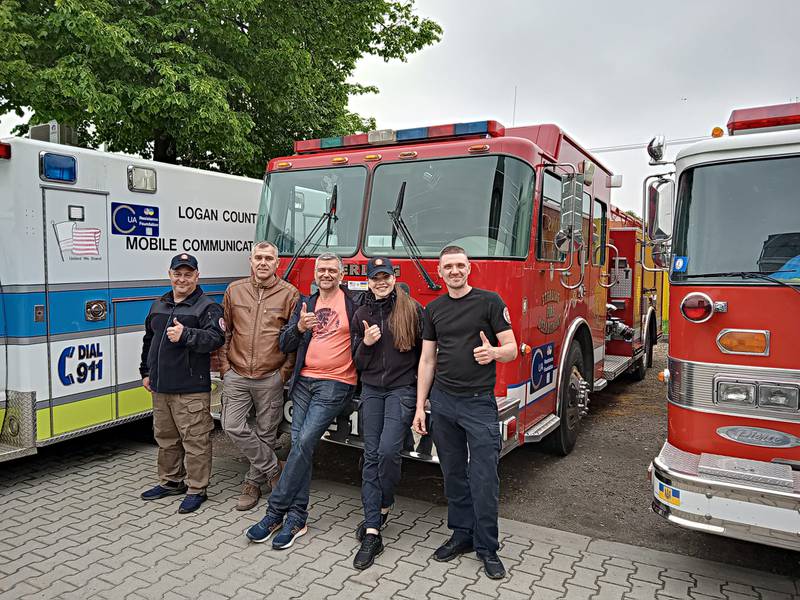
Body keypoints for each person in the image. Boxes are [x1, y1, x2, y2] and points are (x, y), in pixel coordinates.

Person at [413, 245, 517, 579]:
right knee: (454, 474)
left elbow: (512, 349)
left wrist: (494, 353)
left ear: (469, 268)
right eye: (448, 267)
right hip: (443, 403)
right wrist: (420, 406)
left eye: (460, 265)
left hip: (478, 404)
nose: (454, 271)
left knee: (484, 478)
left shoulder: (490, 302)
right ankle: (461, 535)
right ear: (440, 272)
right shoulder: (434, 309)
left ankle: (488, 547)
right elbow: (427, 359)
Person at [245, 252, 361, 549]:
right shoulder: (305, 304)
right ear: (316, 274)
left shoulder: (354, 304)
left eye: (332, 270)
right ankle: (297, 518)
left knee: (305, 441)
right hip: (304, 383)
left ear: (342, 275)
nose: (326, 274)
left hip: (335, 384)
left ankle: (274, 513)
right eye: (322, 270)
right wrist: (299, 328)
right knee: (301, 446)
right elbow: (284, 343)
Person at [349, 257, 424, 570]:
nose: (381, 282)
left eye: (386, 276)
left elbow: (426, 355)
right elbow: (358, 362)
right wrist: (365, 344)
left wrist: (423, 399)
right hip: (371, 390)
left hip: (401, 390)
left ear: (394, 277)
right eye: (375, 278)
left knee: (389, 451)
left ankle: (384, 502)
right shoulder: (362, 312)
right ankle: (372, 529)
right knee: (371, 454)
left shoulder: (412, 309)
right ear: (368, 281)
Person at [139, 253, 225, 514]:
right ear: (170, 274)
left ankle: (197, 488)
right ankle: (170, 481)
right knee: (165, 438)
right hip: (161, 386)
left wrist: (186, 334)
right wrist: (145, 371)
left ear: (197, 277)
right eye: (178, 274)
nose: (182, 279)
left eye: (188, 274)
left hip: (190, 388)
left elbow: (216, 338)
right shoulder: (159, 304)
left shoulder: (207, 307)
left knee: (195, 440)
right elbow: (148, 340)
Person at [219, 241, 300, 510]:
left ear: (278, 263)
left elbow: (292, 340)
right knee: (231, 425)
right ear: (250, 261)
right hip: (237, 373)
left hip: (270, 376)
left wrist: (283, 373)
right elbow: (225, 332)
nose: (263, 263)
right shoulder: (234, 290)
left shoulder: (290, 294)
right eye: (258, 258)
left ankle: (252, 483)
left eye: (269, 258)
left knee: (266, 432)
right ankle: (274, 468)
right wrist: (225, 368)